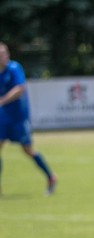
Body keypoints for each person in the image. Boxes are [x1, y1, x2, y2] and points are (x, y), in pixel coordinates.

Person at [0, 42, 56, 197]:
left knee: (28, 150)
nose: (3, 57)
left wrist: (2, 101)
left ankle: (51, 177)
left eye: (4, 53)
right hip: (3, 117)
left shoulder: (14, 68)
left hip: (19, 117)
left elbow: (20, 89)